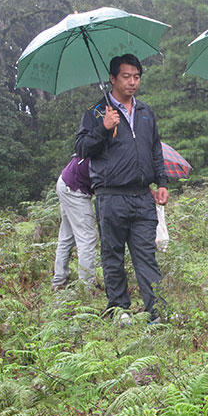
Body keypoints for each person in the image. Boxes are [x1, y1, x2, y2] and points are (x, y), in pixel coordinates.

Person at [75, 54, 169, 322]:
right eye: (126, 76)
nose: (132, 82)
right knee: (112, 254)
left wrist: (161, 182)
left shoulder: (145, 111)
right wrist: (103, 128)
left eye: (136, 76)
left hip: (142, 195)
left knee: (145, 255)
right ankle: (119, 309)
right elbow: (82, 149)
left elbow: (155, 149)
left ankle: (156, 311)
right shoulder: (96, 112)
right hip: (110, 195)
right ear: (113, 78)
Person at [52, 155, 98, 291]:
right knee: (87, 237)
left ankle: (59, 280)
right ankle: (87, 285)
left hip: (66, 181)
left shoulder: (99, 140)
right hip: (74, 189)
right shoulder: (109, 147)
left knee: (67, 236)